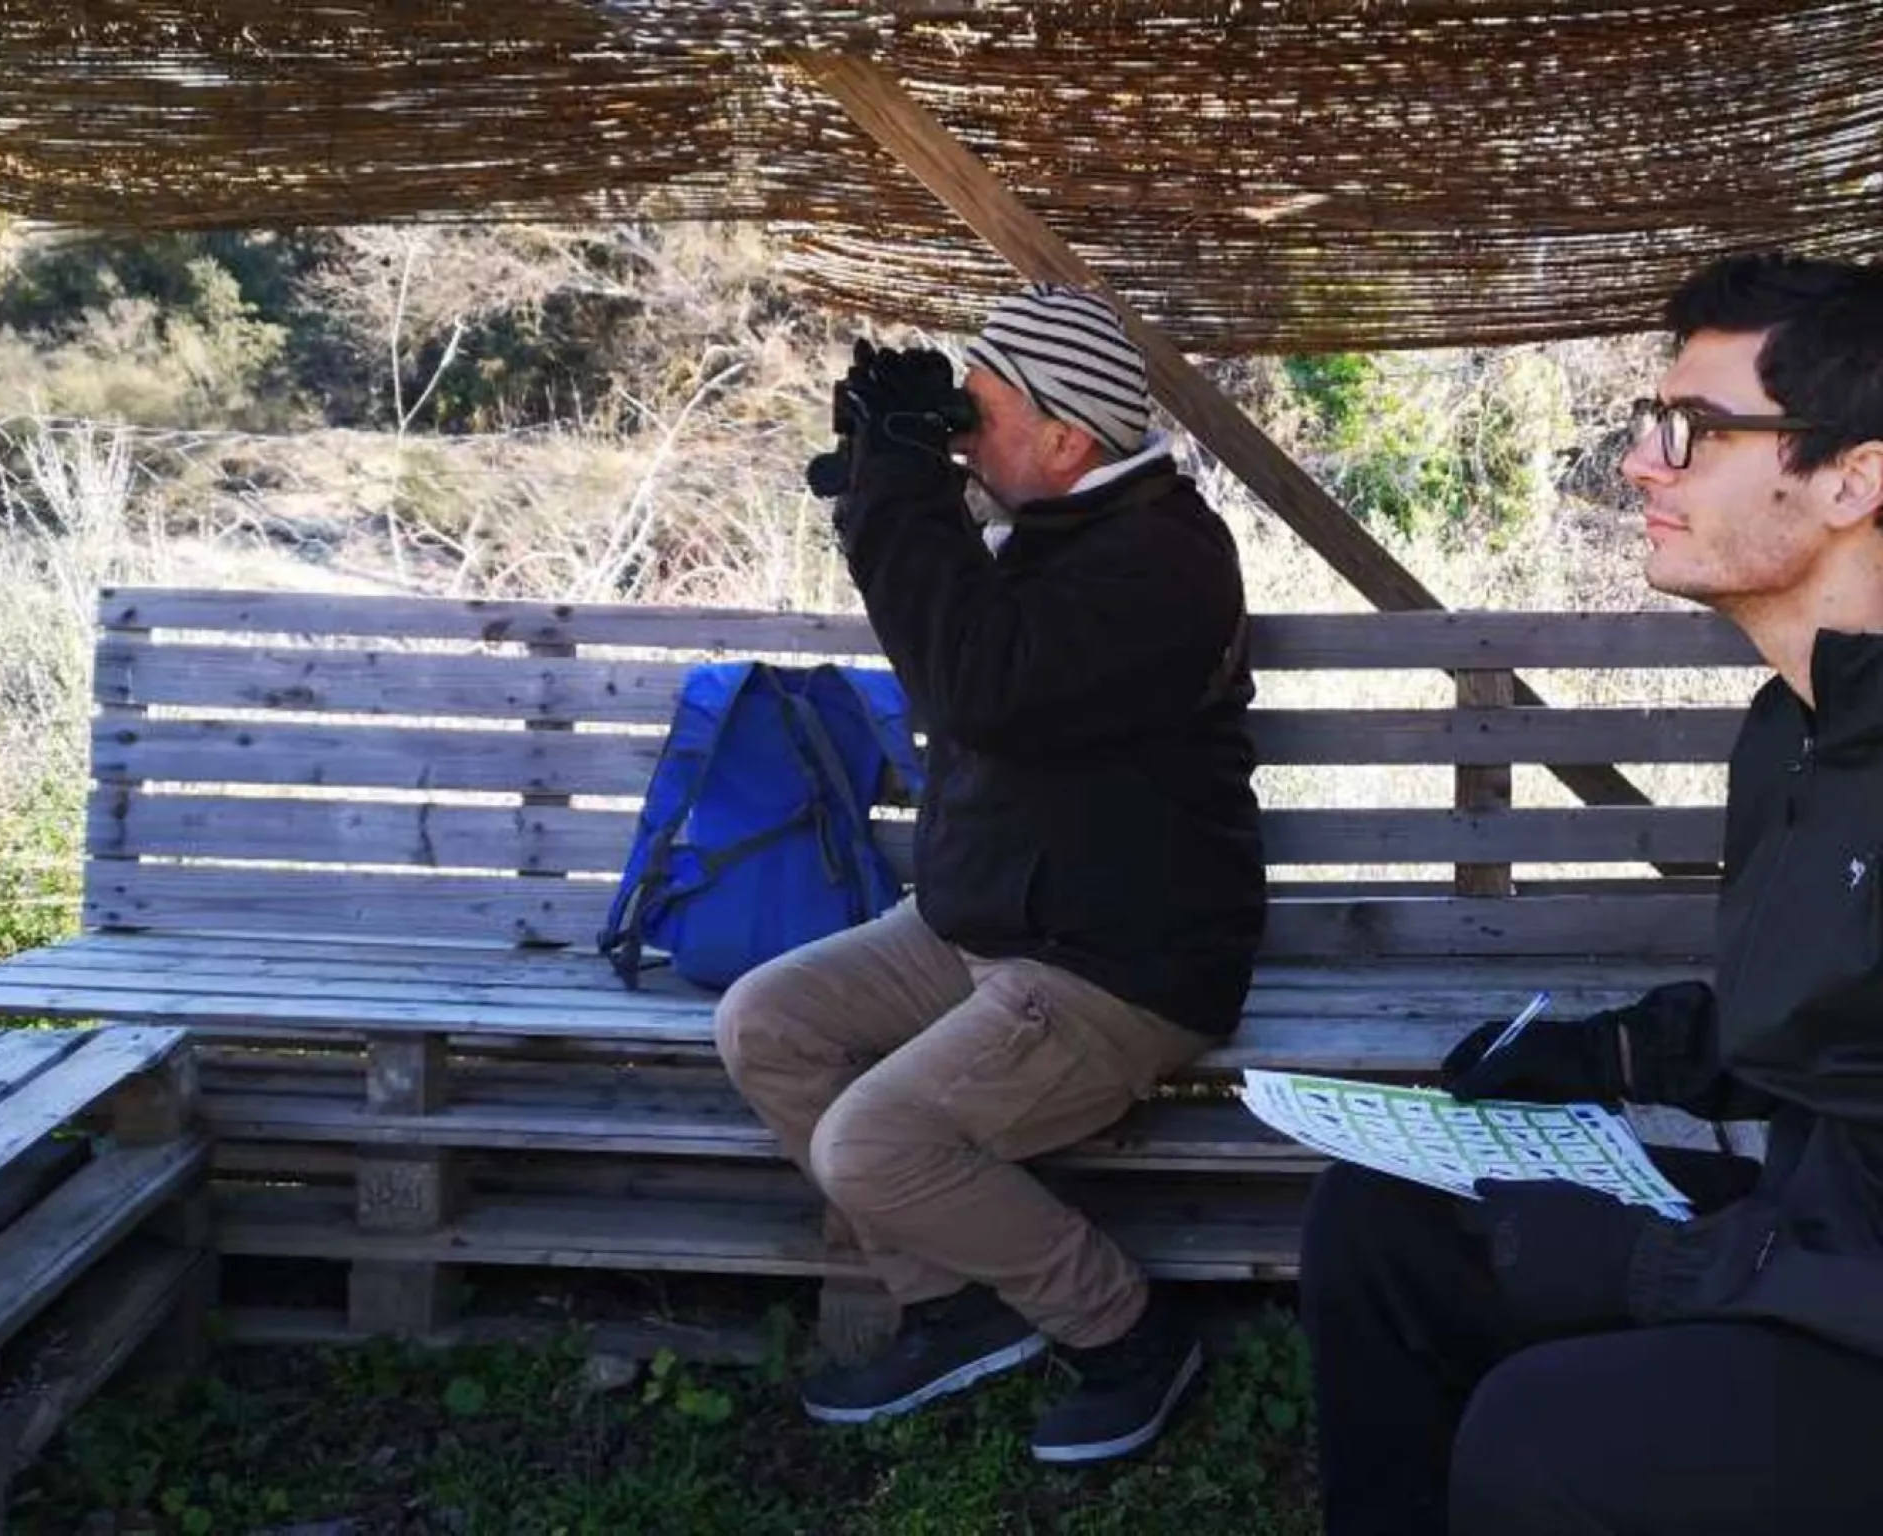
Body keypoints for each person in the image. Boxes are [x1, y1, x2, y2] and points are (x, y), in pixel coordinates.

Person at [1298, 252, 1883, 1534]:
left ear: (1853, 475)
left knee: (1543, 1437)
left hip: (1850, 1310)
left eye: (1693, 432)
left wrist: (1671, 1268)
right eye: (1646, 425)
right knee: (1386, 1220)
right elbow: (1839, 1030)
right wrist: (1620, 1051)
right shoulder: (1789, 733)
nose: (1640, 463)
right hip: (1812, 1239)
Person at [715, 283, 1265, 1463]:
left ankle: (1124, 1332)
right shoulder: (1058, 530)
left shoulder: (1160, 563)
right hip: (984, 924)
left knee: (873, 1142)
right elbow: (945, 627)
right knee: (767, 1022)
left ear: (1065, 439)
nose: (959, 429)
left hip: (1111, 964)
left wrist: (905, 484)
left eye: (980, 409)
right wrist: (881, 462)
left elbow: (979, 687)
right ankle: (949, 1304)